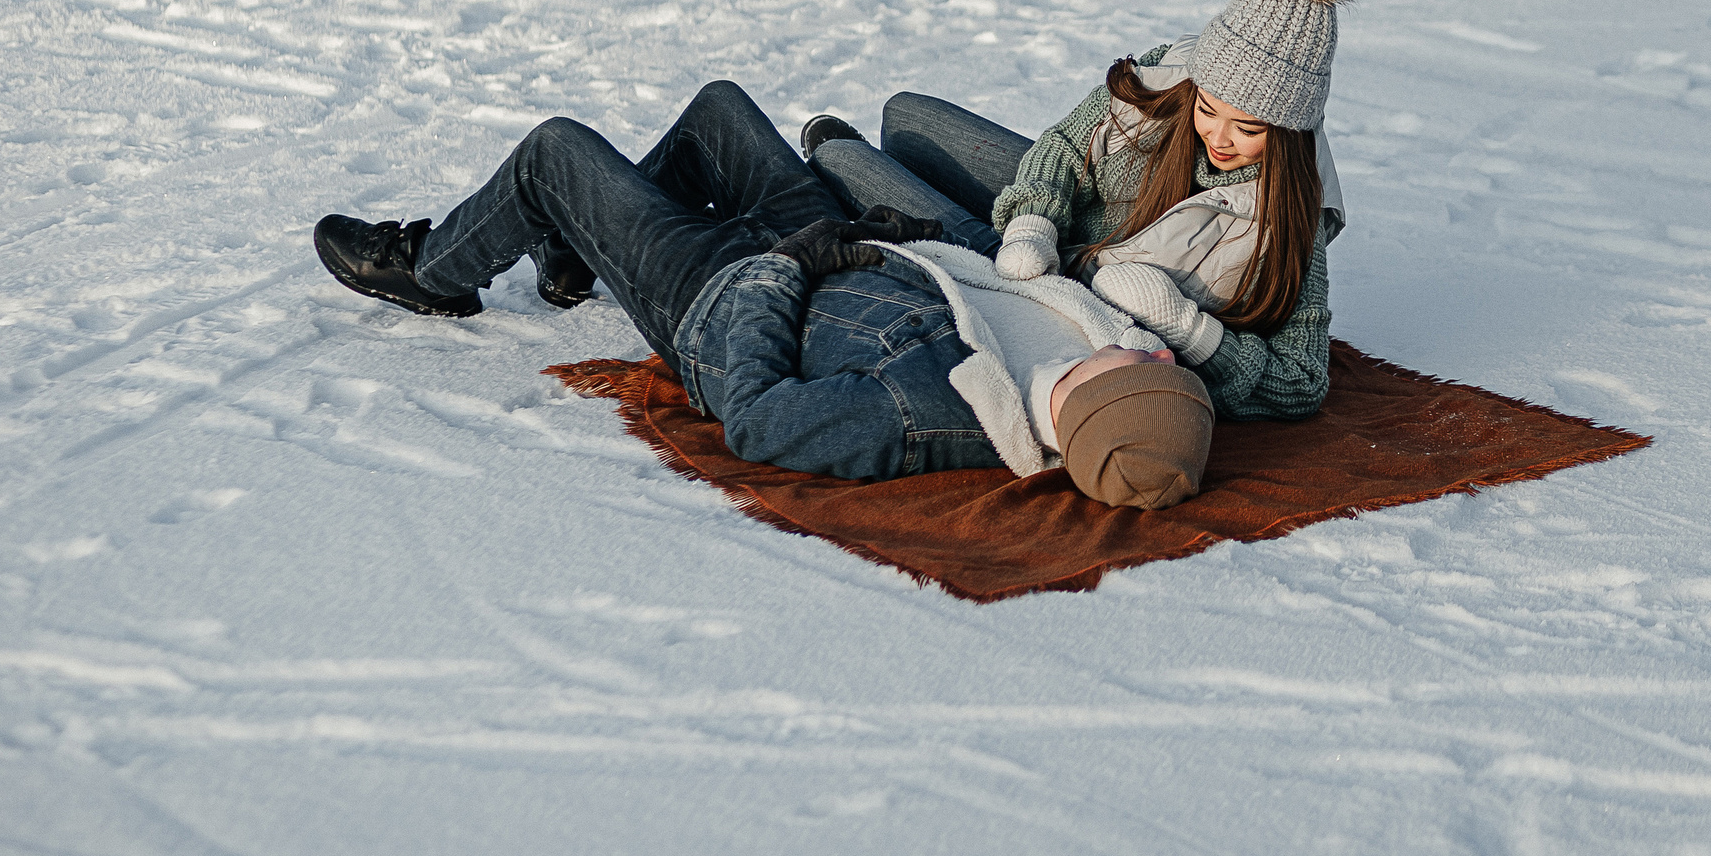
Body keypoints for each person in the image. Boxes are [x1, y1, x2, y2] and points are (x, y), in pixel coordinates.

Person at [308, 82, 1213, 509]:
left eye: (1149, 370)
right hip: (840, 246)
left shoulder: (934, 409)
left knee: (556, 149)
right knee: (721, 112)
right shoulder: (1078, 337)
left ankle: (431, 273)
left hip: (724, 292)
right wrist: (905, 234)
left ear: (1108, 397)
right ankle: (580, 252)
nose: (1155, 354)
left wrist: (785, 270)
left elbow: (757, 415)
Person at [806, 0, 1355, 422]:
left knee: (841, 158)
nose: (1218, 136)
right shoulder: (1170, 77)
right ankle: (892, 174)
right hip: (1056, 233)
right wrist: (1032, 225)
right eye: (1207, 110)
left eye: (1249, 129)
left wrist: (1187, 327)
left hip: (1059, 292)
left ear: (1287, 134)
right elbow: (1067, 144)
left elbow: (1303, 381)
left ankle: (843, 166)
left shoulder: (1289, 221)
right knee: (907, 113)